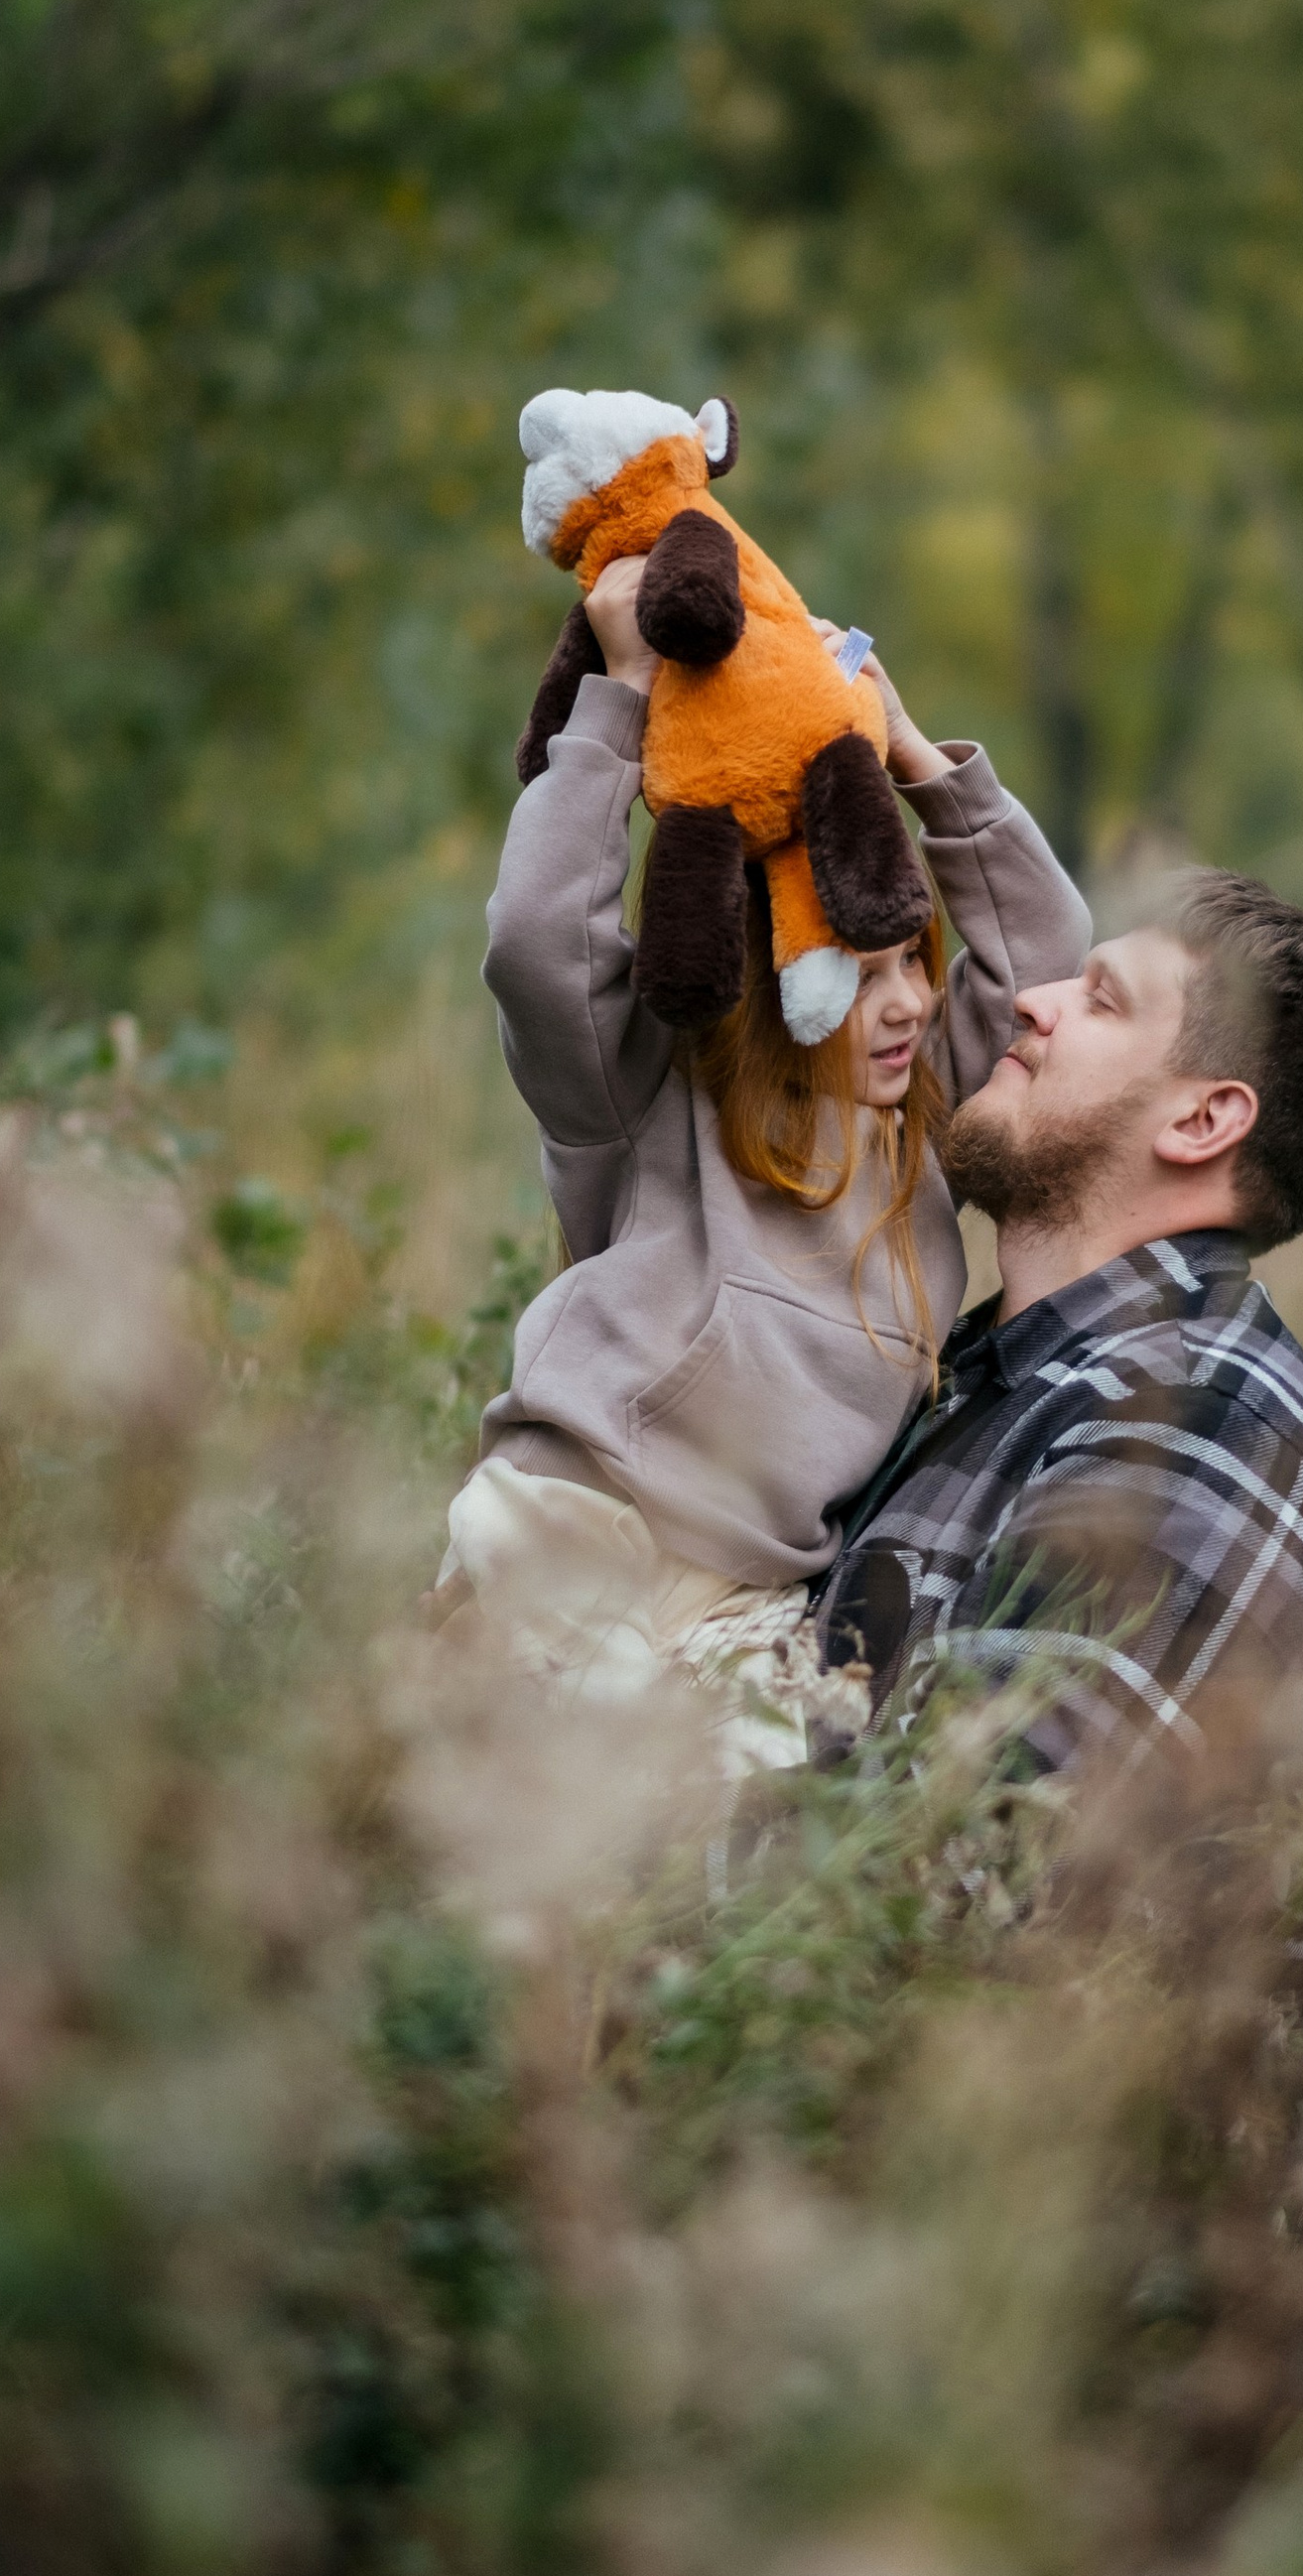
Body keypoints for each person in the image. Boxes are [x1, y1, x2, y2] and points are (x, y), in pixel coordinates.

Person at [444, 548, 1090, 1758]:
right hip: (580, 1526)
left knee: (786, 1812)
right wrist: (616, 705)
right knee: (585, 1804)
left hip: (746, 1600)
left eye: (913, 963)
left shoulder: (925, 1123)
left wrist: (913, 755)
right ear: (765, 980)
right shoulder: (649, 1094)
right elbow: (536, 941)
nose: (906, 1005)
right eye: (858, 974)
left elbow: (1043, 957)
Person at [815, 873, 1303, 1770]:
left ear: (1203, 1119)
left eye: (1101, 999)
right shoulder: (991, 1370)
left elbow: (970, 1835)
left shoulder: (1191, 1427)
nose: (1032, 1001)